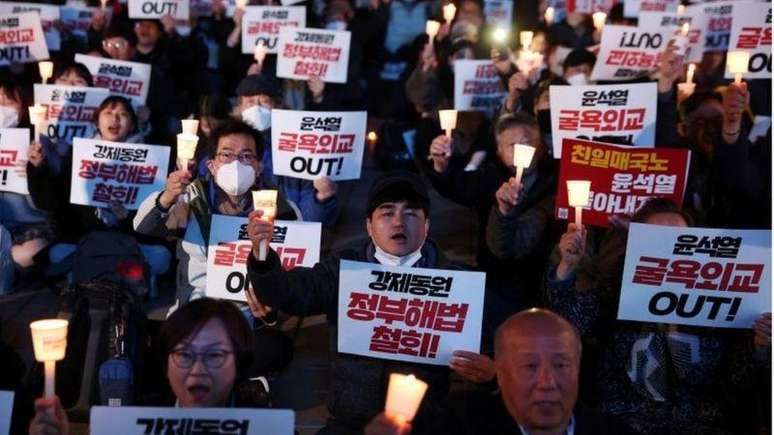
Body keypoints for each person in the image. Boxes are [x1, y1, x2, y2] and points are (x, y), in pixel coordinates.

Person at [245, 172, 493, 434]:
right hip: (350, 422)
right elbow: (289, 292)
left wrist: (492, 372)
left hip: (424, 425)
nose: (399, 222)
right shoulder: (344, 269)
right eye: (387, 213)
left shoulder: (460, 282)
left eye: (410, 214)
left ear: (427, 225)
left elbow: (490, 352)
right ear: (368, 226)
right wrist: (262, 254)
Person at [545, 198, 771, 434]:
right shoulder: (614, 289)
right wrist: (567, 267)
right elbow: (570, 325)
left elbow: (738, 381)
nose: (670, 249)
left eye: (679, 240)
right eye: (658, 240)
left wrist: (759, 346)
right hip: (622, 422)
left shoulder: (723, 296)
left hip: (703, 424)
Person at [365, 308, 638, 435]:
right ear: (501, 374)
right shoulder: (458, 426)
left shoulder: (615, 433)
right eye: (530, 366)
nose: (547, 382)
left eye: (561, 365)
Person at [28, 298, 263, 435]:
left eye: (214, 355)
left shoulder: (269, 428)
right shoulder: (129, 424)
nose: (197, 369)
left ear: (239, 363)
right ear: (166, 364)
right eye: (183, 354)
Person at [133, 118, 298, 313]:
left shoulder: (284, 210)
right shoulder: (189, 200)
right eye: (226, 155)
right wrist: (168, 196)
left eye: (246, 156)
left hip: (251, 310)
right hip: (197, 301)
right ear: (211, 166)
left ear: (259, 167)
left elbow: (293, 276)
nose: (236, 164)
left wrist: (273, 312)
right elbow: (144, 227)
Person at [235, 74, 339, 225]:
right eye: (250, 102)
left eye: (264, 102)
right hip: (236, 237)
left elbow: (310, 221)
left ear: (278, 106)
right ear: (239, 107)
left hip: (286, 236)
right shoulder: (223, 147)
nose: (256, 108)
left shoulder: (299, 150)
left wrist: (322, 197)